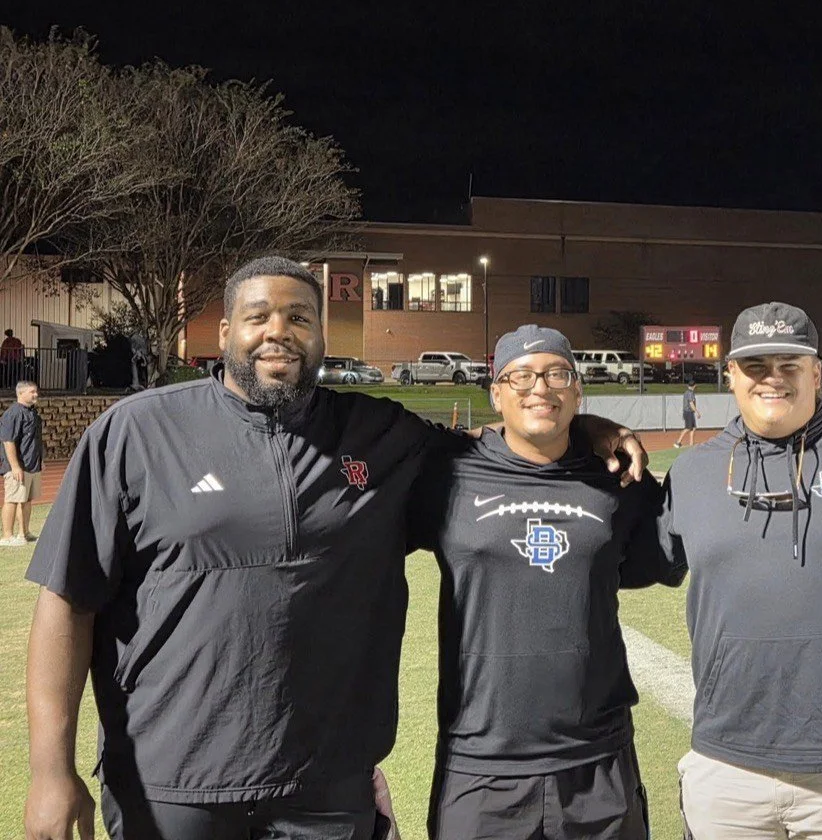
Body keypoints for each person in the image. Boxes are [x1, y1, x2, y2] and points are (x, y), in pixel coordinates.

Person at [23, 256, 647, 840]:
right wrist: (51, 772)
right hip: (171, 781)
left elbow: (498, 447)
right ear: (224, 331)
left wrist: (584, 427)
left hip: (325, 787)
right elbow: (67, 600)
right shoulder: (137, 432)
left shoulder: (379, 433)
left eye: (299, 318)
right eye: (259, 316)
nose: (279, 332)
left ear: (322, 336)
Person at [661, 301, 822, 840]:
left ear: (816, 373)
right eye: (756, 366)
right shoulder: (691, 471)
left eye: (790, 365)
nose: (772, 380)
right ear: (730, 374)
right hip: (726, 764)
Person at [424, 325, 684, 840]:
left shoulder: (617, 478)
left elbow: (664, 559)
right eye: (519, 375)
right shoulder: (444, 471)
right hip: (481, 764)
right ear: (495, 392)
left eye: (556, 373)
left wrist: (600, 432)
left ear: (577, 390)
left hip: (598, 760)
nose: (539, 387)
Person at [1, 379, 42, 546]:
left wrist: (41, 459)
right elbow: (8, 441)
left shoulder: (32, 413)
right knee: (12, 499)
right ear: (20, 393)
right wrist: (15, 466)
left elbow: (35, 439)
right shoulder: (13, 414)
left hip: (32, 465)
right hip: (18, 466)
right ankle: (7, 536)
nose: (35, 394)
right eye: (31, 392)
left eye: (35, 391)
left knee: (26, 499)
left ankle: (24, 533)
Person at [674, 375, 700, 448]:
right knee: (688, 428)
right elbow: (691, 403)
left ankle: (691, 444)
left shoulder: (687, 392)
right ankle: (678, 442)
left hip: (689, 412)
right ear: (693, 386)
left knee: (693, 428)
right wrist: (697, 412)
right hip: (688, 412)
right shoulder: (690, 393)